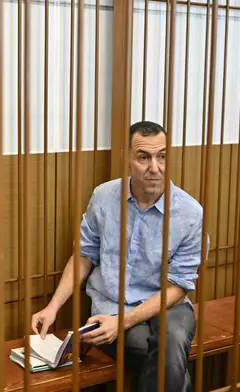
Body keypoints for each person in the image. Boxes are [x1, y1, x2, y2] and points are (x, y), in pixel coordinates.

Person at [31, 121, 206, 392]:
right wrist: (52, 306)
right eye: (143, 157)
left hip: (169, 305)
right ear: (127, 157)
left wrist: (124, 322)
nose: (155, 168)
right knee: (165, 360)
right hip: (112, 307)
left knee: (170, 345)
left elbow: (179, 286)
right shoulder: (103, 197)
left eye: (162, 156)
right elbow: (84, 256)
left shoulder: (190, 213)